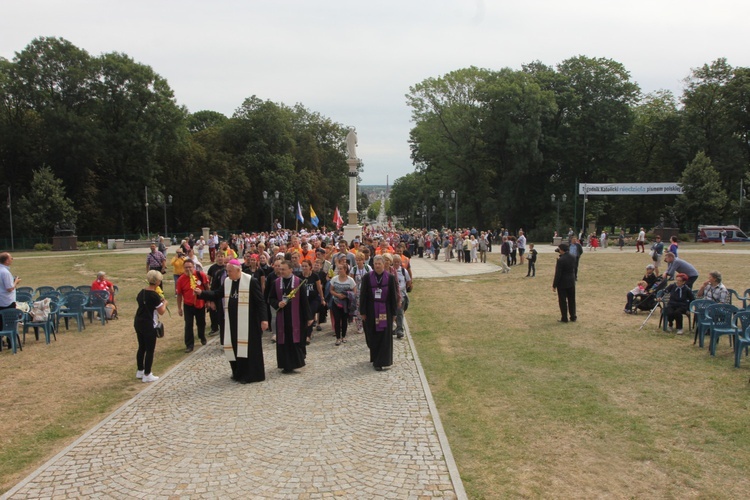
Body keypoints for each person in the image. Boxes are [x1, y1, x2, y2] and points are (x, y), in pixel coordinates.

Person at [196, 259, 269, 383]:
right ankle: (238, 372)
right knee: (235, 347)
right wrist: (202, 293)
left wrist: (264, 319)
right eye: (227, 271)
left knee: (248, 349)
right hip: (232, 322)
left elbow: (260, 302)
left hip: (249, 322)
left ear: (238, 270)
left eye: (230, 271)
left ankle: (251, 375)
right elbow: (217, 294)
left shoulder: (251, 281)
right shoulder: (228, 282)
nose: (228, 273)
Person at [269, 260, 312, 373]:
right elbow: (270, 298)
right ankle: (286, 365)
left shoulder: (299, 282)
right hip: (282, 317)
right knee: (284, 340)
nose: (281, 271)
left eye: (283, 269)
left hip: (297, 317)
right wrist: (277, 303)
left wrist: (309, 317)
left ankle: (296, 362)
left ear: (291, 270)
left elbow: (304, 301)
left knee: (296, 339)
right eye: (280, 269)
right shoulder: (276, 282)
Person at [359, 255, 399, 371]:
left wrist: (394, 312)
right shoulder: (367, 277)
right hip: (371, 309)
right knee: (373, 335)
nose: (377, 266)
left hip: (385, 309)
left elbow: (393, 296)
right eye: (375, 264)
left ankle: (382, 361)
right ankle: (375, 358)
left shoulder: (390, 278)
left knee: (384, 335)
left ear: (384, 264)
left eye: (379, 264)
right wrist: (363, 311)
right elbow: (363, 295)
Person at [134, 271, 167, 383]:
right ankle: (147, 374)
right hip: (149, 323)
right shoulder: (154, 295)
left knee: (141, 347)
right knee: (150, 349)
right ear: (157, 281)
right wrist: (165, 303)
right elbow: (161, 311)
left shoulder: (141, 292)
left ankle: (140, 370)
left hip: (138, 321)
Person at [176, 260, 209, 353]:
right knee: (188, 324)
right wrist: (179, 308)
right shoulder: (181, 279)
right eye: (186, 267)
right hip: (188, 305)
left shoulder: (200, 275)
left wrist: (208, 300)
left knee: (201, 322)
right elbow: (179, 294)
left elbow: (207, 287)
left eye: (190, 267)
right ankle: (189, 344)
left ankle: (202, 336)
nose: (188, 269)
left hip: (200, 303)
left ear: (193, 267)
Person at [329, 260, 357, 346]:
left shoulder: (350, 280)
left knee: (344, 320)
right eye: (338, 269)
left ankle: (343, 336)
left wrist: (346, 296)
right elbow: (331, 290)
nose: (339, 270)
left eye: (341, 269)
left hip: (345, 303)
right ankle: (337, 338)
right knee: (337, 320)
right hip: (336, 302)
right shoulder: (334, 279)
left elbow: (354, 291)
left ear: (345, 270)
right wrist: (337, 295)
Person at [552, 243, 576, 323]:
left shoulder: (561, 260)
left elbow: (558, 274)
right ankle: (573, 316)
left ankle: (564, 317)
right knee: (571, 299)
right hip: (571, 281)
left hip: (562, 283)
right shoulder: (573, 257)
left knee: (562, 300)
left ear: (561, 250)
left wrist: (554, 285)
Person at [206, 253, 227, 339]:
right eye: (218, 256)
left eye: (222, 256)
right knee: (214, 312)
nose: (220, 258)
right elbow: (209, 281)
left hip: (225, 295)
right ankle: (214, 328)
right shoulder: (213, 268)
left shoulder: (226, 268)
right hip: (216, 293)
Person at [392, 254, 411, 339]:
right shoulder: (390, 271)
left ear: (400, 262)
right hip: (393, 295)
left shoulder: (403, 271)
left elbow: (408, 281)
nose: (396, 263)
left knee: (400, 311)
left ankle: (399, 329)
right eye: (394, 262)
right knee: (397, 312)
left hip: (401, 295)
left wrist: (403, 289)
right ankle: (399, 329)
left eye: (397, 262)